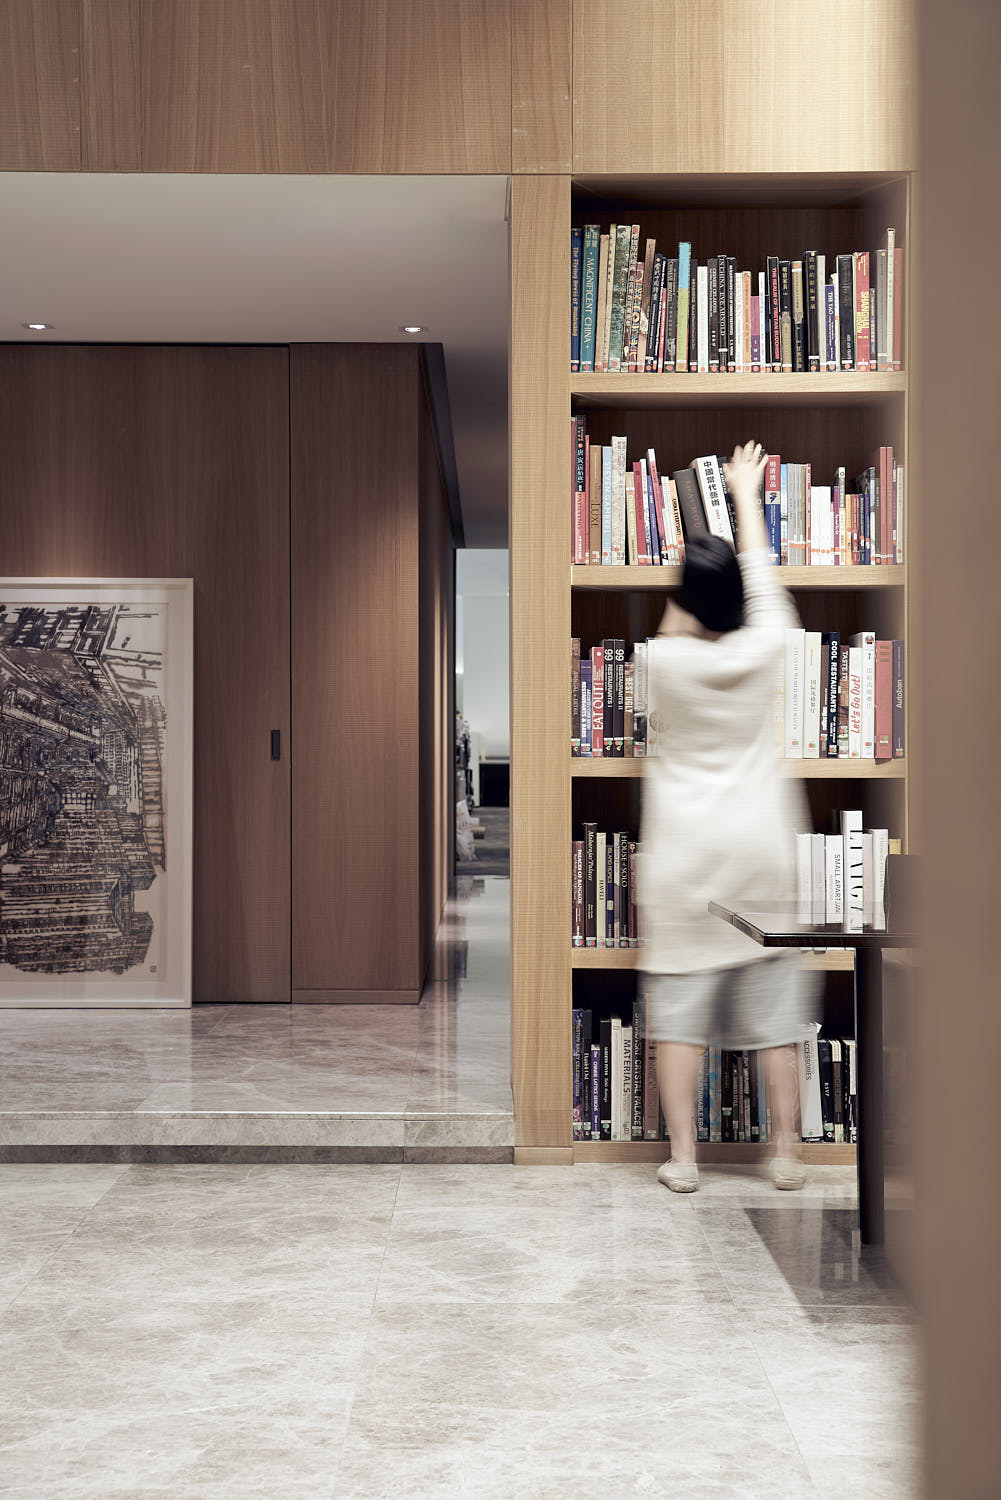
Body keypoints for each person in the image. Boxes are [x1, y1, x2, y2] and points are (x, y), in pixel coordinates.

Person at [638, 440, 819, 1193]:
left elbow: (679, 623)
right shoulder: (768, 644)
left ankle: (683, 1159)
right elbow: (764, 580)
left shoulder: (660, 662)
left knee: (678, 1012)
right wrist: (745, 495)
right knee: (774, 1015)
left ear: (683, 599)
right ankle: (783, 1153)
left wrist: (687, 584)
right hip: (761, 852)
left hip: (684, 861)